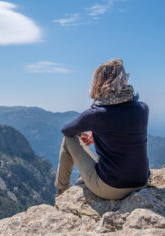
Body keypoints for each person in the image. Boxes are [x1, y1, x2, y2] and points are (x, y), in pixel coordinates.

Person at [55, 58, 150, 200]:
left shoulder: (96, 114)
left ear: (99, 83)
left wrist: (89, 129)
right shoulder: (142, 108)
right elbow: (122, 126)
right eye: (126, 76)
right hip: (141, 182)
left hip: (111, 188)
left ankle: (61, 192)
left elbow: (66, 130)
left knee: (68, 140)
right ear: (123, 81)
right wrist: (96, 131)